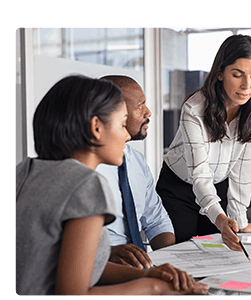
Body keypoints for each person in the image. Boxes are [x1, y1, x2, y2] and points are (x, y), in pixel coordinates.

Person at [15, 75, 208, 296]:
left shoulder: (25, 171)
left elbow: (71, 266)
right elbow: (73, 294)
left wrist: (146, 275)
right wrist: (154, 287)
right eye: (122, 123)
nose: (126, 135)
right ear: (96, 127)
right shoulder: (86, 184)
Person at [156, 34, 251, 251]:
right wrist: (219, 219)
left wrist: (240, 221)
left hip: (219, 185)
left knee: (218, 254)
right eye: (237, 75)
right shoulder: (194, 109)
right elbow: (200, 174)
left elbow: (247, 164)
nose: (247, 86)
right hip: (180, 187)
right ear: (220, 73)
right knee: (183, 255)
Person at [96, 75, 175, 269]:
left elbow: (156, 219)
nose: (148, 112)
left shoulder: (136, 160)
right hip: (102, 266)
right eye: (140, 105)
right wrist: (107, 253)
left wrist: (172, 260)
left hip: (140, 267)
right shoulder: (87, 167)